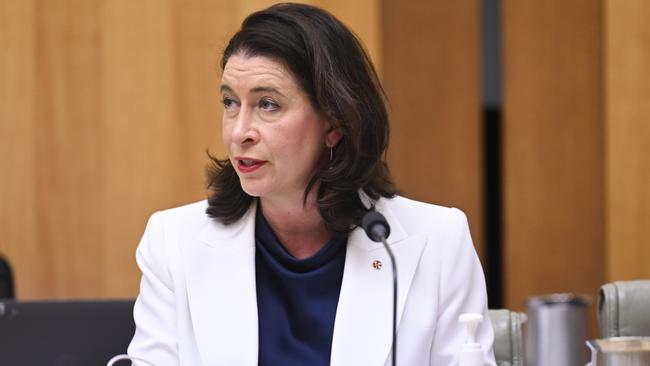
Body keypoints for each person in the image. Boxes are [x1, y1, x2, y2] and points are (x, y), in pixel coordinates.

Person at [126, 3, 496, 365]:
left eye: (268, 104)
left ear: (334, 123)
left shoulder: (439, 242)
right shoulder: (173, 242)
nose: (239, 132)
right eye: (230, 102)